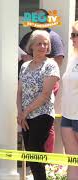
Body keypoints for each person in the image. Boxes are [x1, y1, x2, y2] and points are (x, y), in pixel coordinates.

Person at [19, 9, 65, 153]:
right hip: (27, 83)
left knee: (44, 130)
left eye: (40, 17)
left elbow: (58, 61)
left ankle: (48, 160)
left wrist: (38, 60)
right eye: (34, 16)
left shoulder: (53, 37)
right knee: (30, 144)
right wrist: (21, 112)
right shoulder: (27, 37)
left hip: (46, 83)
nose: (42, 47)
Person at [17, 30, 60, 180]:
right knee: (31, 154)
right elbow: (19, 92)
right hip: (25, 115)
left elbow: (45, 94)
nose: (42, 46)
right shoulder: (25, 66)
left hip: (42, 114)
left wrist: (25, 112)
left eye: (45, 44)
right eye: (39, 43)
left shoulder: (51, 65)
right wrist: (20, 113)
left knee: (35, 150)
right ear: (32, 46)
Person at [61, 21, 78, 179]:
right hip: (67, 116)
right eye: (71, 34)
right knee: (72, 162)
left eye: (75, 34)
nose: (72, 38)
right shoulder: (73, 58)